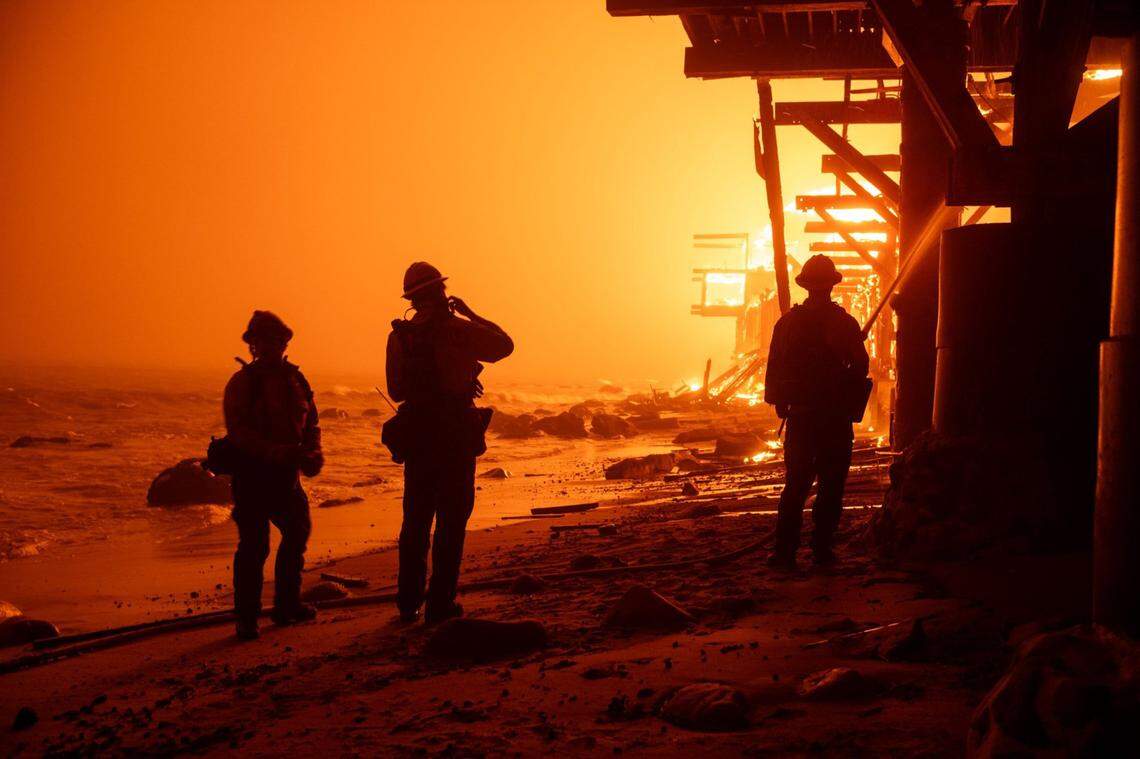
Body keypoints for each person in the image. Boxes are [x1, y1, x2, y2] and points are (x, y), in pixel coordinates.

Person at [386, 262, 513, 624]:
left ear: (412, 300)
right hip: (455, 433)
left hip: (419, 436)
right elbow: (505, 346)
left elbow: (396, 390)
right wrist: (471, 313)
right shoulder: (459, 330)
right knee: (451, 522)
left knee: (415, 520)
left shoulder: (400, 337)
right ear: (441, 292)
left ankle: (408, 602)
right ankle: (440, 604)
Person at [764, 255, 869, 571]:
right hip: (834, 418)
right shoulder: (844, 323)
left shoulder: (787, 324)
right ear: (831, 286)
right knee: (831, 485)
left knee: (795, 485)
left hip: (801, 417)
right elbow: (861, 367)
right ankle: (822, 551)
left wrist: (782, 404)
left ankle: (784, 554)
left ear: (806, 286)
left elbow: (774, 369)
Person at [224, 310, 323, 640]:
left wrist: (313, 453)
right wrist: (277, 452)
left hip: (286, 477)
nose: (271, 346)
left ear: (284, 342)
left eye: (276, 340)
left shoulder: (297, 380)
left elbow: (312, 424)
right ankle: (247, 619)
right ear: (253, 345)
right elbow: (238, 433)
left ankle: (287, 606)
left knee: (296, 534)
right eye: (263, 341)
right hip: (252, 477)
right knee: (255, 546)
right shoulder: (243, 383)